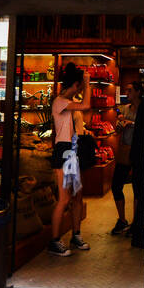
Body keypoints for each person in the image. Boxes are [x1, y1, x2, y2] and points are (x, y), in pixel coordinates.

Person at [48, 62, 88, 257]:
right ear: (74, 84)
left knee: (77, 195)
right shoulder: (60, 101)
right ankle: (54, 241)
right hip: (63, 150)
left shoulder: (69, 103)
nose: (79, 90)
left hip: (72, 149)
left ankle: (76, 234)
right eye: (79, 86)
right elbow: (87, 105)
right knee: (64, 198)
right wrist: (87, 84)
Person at [110, 81, 143, 235]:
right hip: (124, 151)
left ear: (137, 92)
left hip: (139, 152)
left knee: (137, 188)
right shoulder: (124, 109)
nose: (127, 93)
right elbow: (117, 131)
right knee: (116, 185)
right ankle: (122, 220)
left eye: (129, 90)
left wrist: (132, 123)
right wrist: (119, 126)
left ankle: (136, 224)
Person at [127, 82, 144, 249]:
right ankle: (138, 233)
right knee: (142, 196)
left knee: (141, 196)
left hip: (138, 156)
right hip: (142, 157)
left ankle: (137, 231)